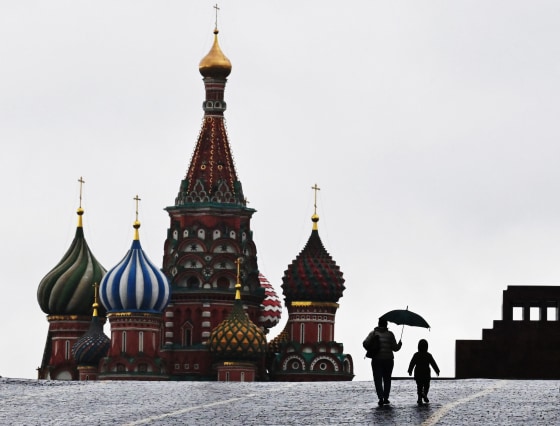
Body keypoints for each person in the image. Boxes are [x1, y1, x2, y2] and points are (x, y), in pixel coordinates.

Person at [369, 318, 402, 406]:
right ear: (386, 325)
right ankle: (386, 398)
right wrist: (400, 345)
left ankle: (380, 398)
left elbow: (365, 343)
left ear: (378, 324)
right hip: (388, 360)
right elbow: (395, 348)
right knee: (387, 379)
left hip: (376, 359)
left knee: (378, 379)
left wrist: (372, 348)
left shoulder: (373, 333)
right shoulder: (390, 334)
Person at [407, 339, 440, 405]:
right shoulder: (428, 355)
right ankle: (424, 395)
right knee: (426, 386)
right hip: (426, 374)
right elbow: (433, 363)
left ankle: (419, 398)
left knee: (419, 386)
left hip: (418, 373)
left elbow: (412, 363)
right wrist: (437, 370)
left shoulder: (416, 355)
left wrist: (410, 370)